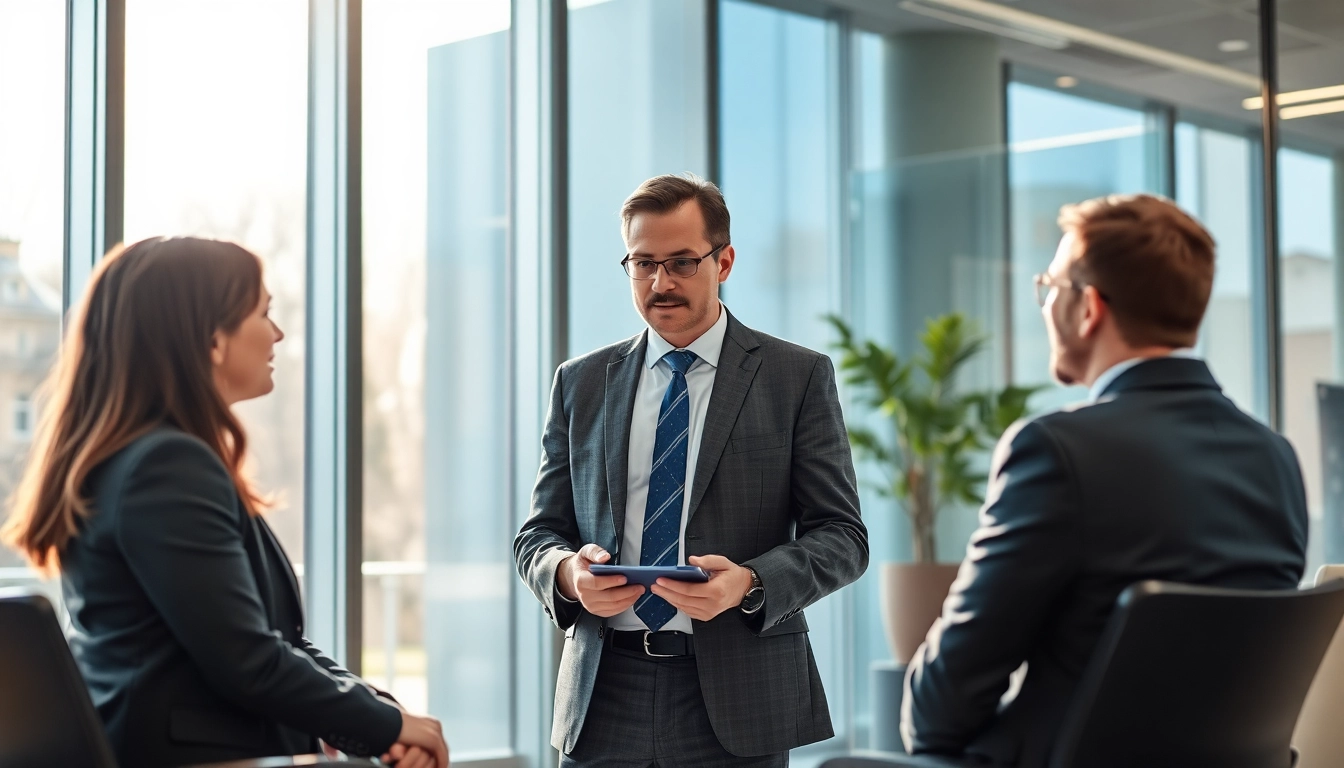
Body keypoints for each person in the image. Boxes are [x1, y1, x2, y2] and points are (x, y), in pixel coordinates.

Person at [1, 237, 450, 768]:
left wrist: (375, 714)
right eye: (263, 313)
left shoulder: (141, 459)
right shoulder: (166, 466)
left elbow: (270, 641)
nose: (278, 334)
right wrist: (386, 725)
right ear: (213, 340)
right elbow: (248, 660)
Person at [899, 194, 1309, 767]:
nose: (1045, 308)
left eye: (1051, 289)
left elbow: (939, 713)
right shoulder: (1275, 458)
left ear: (1089, 308)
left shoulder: (1056, 452)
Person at [514, 173, 869, 767]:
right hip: (604, 694)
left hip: (739, 697)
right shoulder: (580, 383)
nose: (661, 282)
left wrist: (749, 584)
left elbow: (843, 538)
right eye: (643, 263)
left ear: (723, 261)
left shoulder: (795, 377)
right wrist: (569, 575)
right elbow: (538, 535)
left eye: (681, 262)